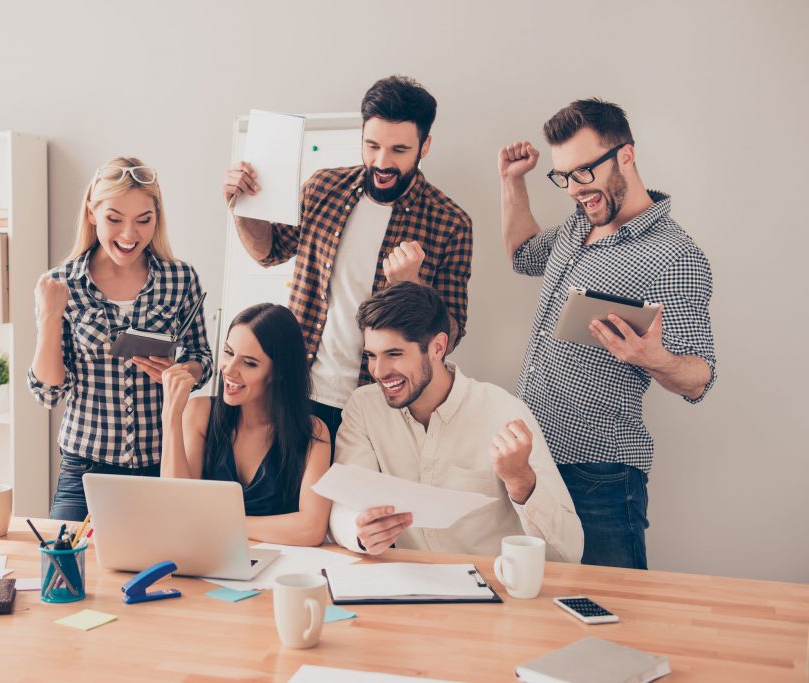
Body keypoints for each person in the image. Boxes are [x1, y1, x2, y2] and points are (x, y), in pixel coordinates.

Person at [498, 99, 717, 569]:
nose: (575, 189)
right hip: (535, 462)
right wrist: (513, 181)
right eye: (563, 177)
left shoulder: (675, 256)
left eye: (584, 172)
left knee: (617, 617)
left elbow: (698, 378)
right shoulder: (579, 225)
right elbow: (522, 255)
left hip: (598, 475)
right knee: (544, 614)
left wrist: (652, 357)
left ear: (625, 156)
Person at [222, 75, 473, 448]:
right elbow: (269, 251)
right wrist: (243, 208)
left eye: (399, 150)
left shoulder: (450, 223)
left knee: (357, 505)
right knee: (294, 500)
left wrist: (411, 287)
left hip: (380, 403)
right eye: (372, 145)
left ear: (425, 146)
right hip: (298, 388)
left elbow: (448, 337)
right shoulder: (323, 188)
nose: (382, 162)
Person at [329, 283, 583, 561]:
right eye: (371, 355)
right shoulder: (364, 408)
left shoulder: (505, 412)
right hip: (409, 587)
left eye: (394, 354)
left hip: (493, 590)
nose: (378, 371)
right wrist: (358, 530)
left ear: (437, 347)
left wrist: (521, 481)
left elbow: (569, 552)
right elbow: (343, 505)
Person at [28, 157, 213, 522]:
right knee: (64, 571)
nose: (129, 235)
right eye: (115, 219)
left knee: (166, 572)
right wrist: (50, 317)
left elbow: (202, 357)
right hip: (85, 471)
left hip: (162, 466)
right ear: (92, 213)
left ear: (156, 218)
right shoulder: (61, 283)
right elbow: (48, 393)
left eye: (143, 220)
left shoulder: (181, 279)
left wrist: (180, 372)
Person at [160, 304, 332, 547]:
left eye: (249, 363)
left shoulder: (313, 432)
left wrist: (214, 521)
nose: (229, 370)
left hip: (277, 568)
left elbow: (310, 529)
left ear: (279, 372)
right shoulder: (200, 413)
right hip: (205, 558)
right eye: (229, 353)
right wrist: (171, 415)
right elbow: (176, 507)